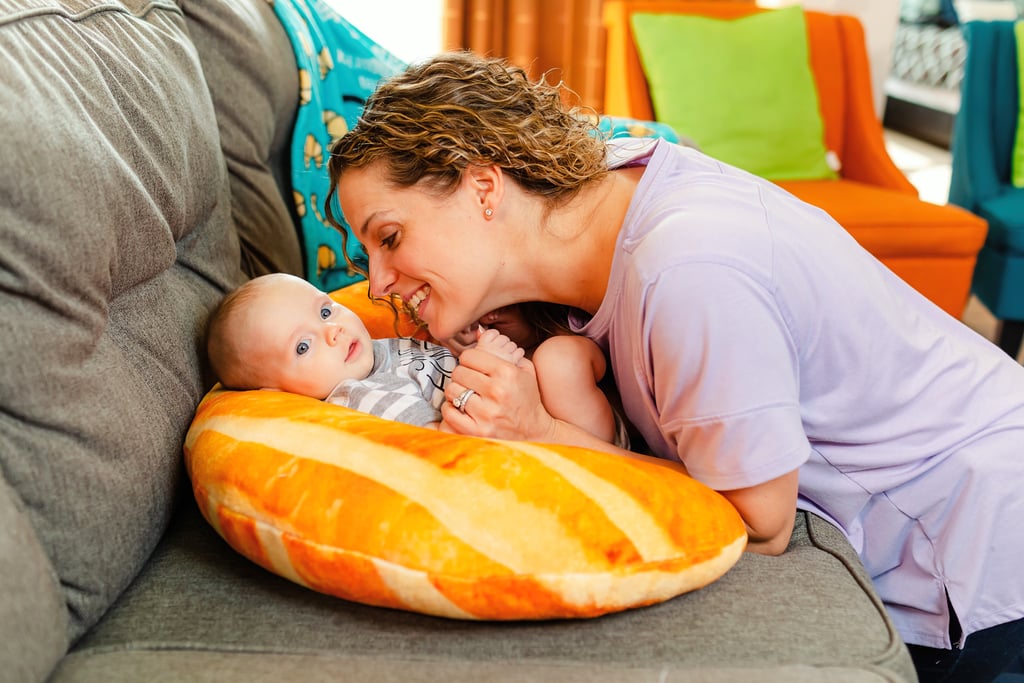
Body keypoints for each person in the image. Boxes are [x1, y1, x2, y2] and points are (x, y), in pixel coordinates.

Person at [323, 51, 1024, 683]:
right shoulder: (605, 190)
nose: (379, 282)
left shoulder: (689, 269)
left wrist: (537, 432)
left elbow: (760, 523)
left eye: (390, 238)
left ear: (483, 187)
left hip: (973, 557)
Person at [206, 273, 622, 445]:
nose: (332, 330)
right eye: (303, 346)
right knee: (560, 361)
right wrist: (491, 363)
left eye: (325, 310)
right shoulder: (364, 396)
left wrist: (466, 350)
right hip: (553, 440)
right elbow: (443, 443)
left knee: (561, 352)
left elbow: (440, 372)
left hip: (533, 404)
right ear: (276, 393)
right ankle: (618, 448)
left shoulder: (381, 353)